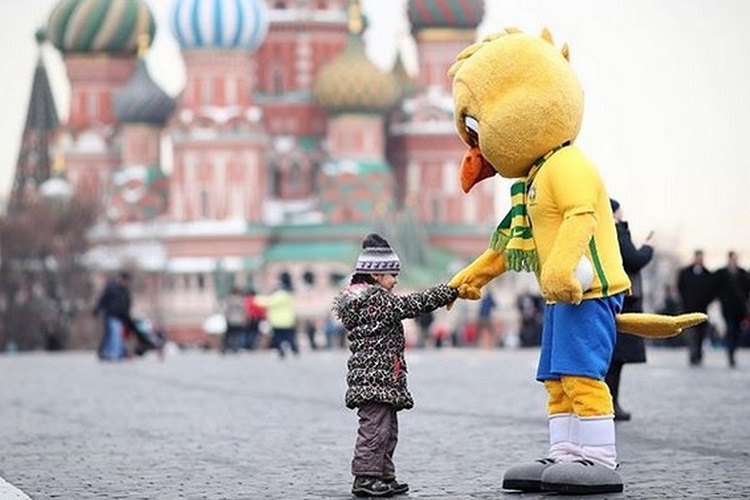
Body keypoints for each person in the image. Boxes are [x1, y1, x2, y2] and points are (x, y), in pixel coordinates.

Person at [332, 233, 457, 498]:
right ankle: (365, 478)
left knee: (387, 430)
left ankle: (384, 476)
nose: (396, 280)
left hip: (380, 377)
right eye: (392, 275)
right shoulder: (375, 299)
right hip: (374, 379)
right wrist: (447, 291)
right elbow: (411, 305)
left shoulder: (364, 299)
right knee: (375, 430)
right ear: (376, 276)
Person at [605, 199, 654, 421]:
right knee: (617, 358)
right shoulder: (615, 230)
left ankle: (609, 403)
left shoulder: (605, 230)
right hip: (625, 299)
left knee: (611, 358)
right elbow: (633, 259)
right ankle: (611, 404)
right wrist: (648, 247)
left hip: (613, 297)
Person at [677, 249, 716, 366]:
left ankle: (698, 353)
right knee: (691, 333)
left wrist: (706, 302)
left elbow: (712, 291)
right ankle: (693, 353)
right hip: (689, 308)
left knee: (700, 334)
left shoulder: (708, 274)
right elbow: (681, 288)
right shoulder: (685, 273)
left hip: (702, 309)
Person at [714, 251, 750, 367]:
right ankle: (730, 353)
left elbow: (747, 290)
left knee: (737, 332)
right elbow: (717, 289)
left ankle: (733, 350)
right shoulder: (722, 273)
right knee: (730, 330)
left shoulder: (743, 273)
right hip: (728, 308)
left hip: (739, 309)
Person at [256, 272, 298, 359]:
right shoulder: (290, 294)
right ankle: (294, 350)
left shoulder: (281, 294)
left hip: (278, 320)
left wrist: (256, 299)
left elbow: (269, 302)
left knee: (279, 337)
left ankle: (282, 350)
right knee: (289, 337)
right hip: (288, 319)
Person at [93, 271, 134, 361]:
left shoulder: (126, 292)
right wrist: (97, 310)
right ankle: (114, 353)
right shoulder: (112, 288)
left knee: (113, 335)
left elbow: (127, 305)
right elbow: (103, 299)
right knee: (114, 334)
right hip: (111, 315)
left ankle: (108, 352)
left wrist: (127, 317)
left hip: (121, 317)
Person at [221, 287, 246, 354]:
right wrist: (244, 318)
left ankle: (225, 348)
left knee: (228, 335)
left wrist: (225, 317)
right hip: (238, 320)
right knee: (237, 335)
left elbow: (225, 310)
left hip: (230, 319)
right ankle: (235, 347)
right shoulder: (241, 300)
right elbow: (243, 311)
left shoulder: (228, 300)